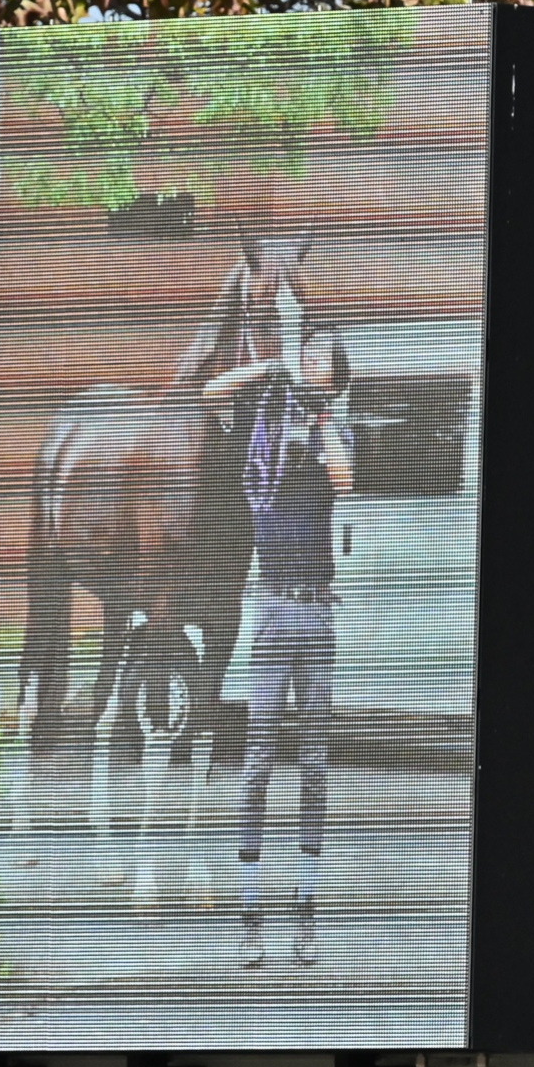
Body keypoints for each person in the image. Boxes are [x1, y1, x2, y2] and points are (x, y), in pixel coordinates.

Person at [202, 325, 351, 968]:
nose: (312, 360)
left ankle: (306, 908)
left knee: (314, 763)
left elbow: (345, 477)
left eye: (324, 358)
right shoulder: (262, 419)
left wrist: (319, 416)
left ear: (335, 376)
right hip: (271, 607)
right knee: (258, 758)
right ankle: (249, 910)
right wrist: (271, 367)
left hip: (316, 610)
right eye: (309, 352)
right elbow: (211, 391)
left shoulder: (330, 427)